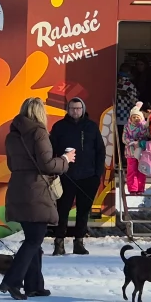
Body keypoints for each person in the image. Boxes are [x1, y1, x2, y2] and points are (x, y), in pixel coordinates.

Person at [0, 97, 72, 299]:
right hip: (36, 191)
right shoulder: (39, 133)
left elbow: (12, 165)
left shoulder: (12, 135)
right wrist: (65, 160)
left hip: (17, 189)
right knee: (34, 239)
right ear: (40, 113)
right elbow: (47, 165)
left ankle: (34, 285)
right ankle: (12, 281)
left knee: (33, 240)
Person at [49, 97, 105, 255]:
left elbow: (100, 150)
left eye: (78, 108)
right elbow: (51, 150)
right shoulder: (59, 127)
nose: (75, 111)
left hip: (88, 176)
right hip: (65, 176)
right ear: (68, 109)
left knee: (83, 211)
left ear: (83, 109)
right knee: (62, 210)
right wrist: (54, 170)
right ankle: (59, 243)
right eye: (73, 108)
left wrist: (97, 173)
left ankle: (79, 242)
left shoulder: (91, 126)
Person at [123, 102, 151, 195]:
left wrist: (140, 141)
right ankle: (133, 189)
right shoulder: (127, 126)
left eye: (137, 117)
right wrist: (130, 141)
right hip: (130, 152)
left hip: (141, 152)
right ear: (130, 118)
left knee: (142, 170)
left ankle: (140, 188)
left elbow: (147, 136)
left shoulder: (144, 126)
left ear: (141, 117)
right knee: (131, 170)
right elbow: (124, 137)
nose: (136, 119)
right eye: (134, 117)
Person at [114, 64, 140, 161]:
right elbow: (135, 101)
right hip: (125, 116)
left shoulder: (115, 83)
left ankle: (119, 159)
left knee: (119, 139)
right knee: (124, 139)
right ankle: (123, 159)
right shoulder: (129, 85)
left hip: (119, 115)